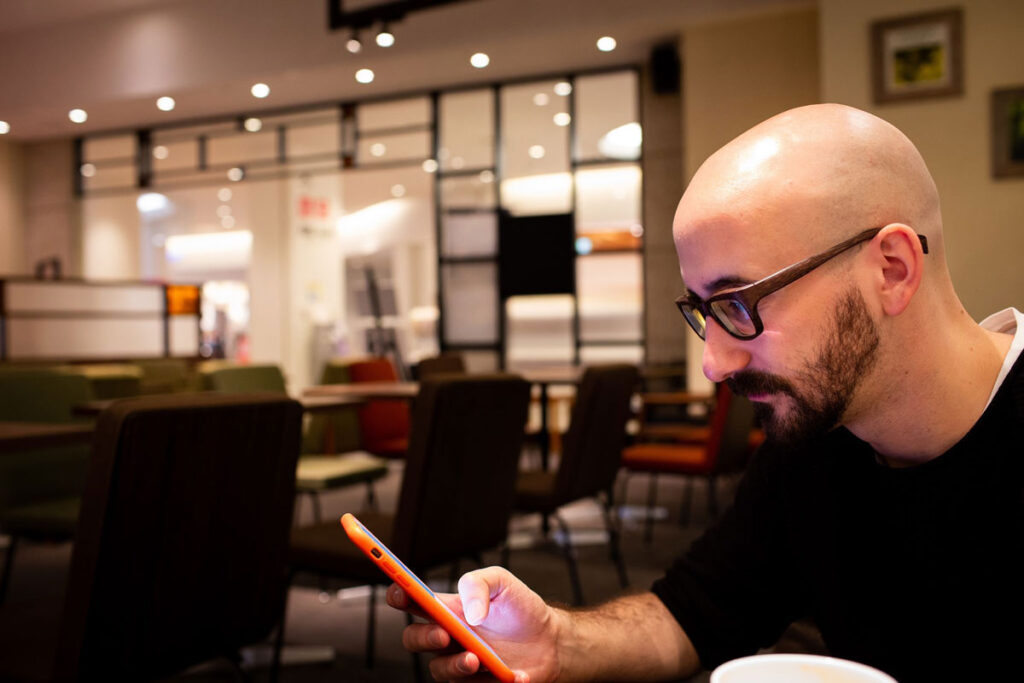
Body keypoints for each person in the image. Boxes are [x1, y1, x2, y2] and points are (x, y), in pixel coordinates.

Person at [387, 104, 1024, 682]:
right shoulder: (813, 438)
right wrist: (558, 640)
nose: (714, 365)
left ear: (892, 270)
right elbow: (694, 614)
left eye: (741, 303)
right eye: (703, 311)